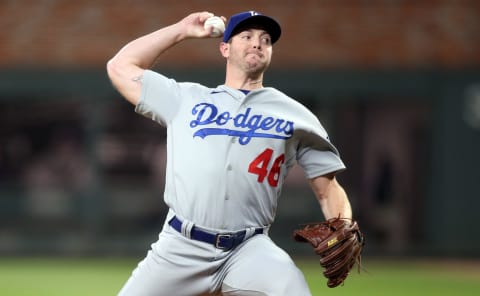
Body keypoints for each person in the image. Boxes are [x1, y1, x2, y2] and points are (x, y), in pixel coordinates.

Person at [107, 10, 353, 296]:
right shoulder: (185, 99)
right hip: (180, 247)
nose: (257, 43)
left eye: (265, 39)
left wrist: (344, 225)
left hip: (248, 249)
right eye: (246, 36)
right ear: (224, 48)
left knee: (293, 289)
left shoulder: (297, 116)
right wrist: (181, 30)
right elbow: (120, 67)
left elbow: (328, 189)